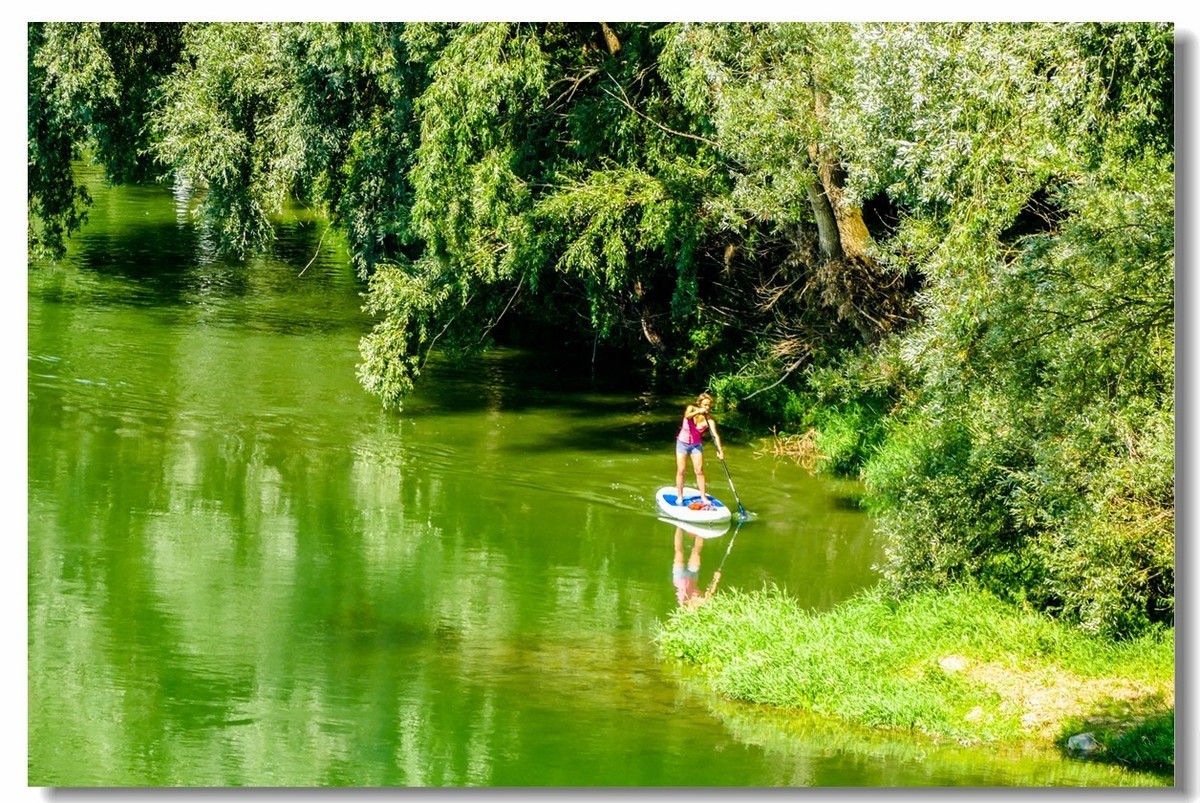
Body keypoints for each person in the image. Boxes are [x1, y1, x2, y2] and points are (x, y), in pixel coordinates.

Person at [674, 392, 725, 507]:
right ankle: (680, 496)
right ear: (699, 404)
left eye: (709, 406)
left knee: (699, 471)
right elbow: (687, 416)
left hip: (696, 445)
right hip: (682, 443)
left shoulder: (709, 420)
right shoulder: (691, 408)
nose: (707, 408)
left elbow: (715, 435)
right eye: (705, 405)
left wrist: (720, 450)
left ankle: (703, 496)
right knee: (681, 470)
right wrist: (698, 411)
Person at [672, 526, 717, 609]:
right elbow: (709, 593)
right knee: (696, 552)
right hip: (692, 577)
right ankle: (701, 530)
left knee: (679, 550)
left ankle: (678, 526)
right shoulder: (701, 603)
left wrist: (687, 605)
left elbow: (682, 605)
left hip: (679, 578)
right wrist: (716, 579)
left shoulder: (684, 605)